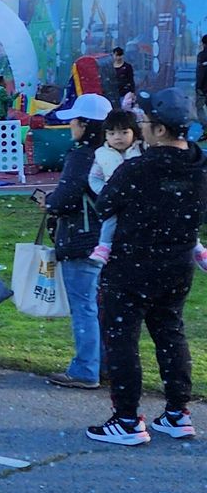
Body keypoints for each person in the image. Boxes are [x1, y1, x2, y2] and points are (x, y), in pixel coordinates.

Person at [88, 88, 206, 445]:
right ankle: (177, 412)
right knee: (170, 335)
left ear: (157, 130)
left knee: (122, 340)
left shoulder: (136, 169)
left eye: (144, 122)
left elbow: (104, 205)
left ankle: (126, 419)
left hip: (130, 266)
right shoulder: (199, 168)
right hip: (176, 265)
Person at [42, 93, 109, 390]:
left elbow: (66, 198)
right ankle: (105, 363)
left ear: (85, 124)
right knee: (104, 307)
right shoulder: (114, 152)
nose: (71, 125)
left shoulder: (81, 156)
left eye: (74, 120)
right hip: (109, 238)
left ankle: (85, 369)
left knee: (84, 307)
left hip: (82, 239)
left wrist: (49, 202)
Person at [86, 110, 145, 267]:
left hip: (141, 197)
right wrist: (104, 192)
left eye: (124, 132)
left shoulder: (142, 150)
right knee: (110, 219)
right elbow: (94, 177)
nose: (118, 137)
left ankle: (196, 246)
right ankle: (104, 246)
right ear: (106, 135)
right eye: (112, 133)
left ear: (134, 133)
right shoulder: (101, 154)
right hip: (115, 197)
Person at [196, 35, 207, 140]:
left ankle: (206, 129)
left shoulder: (202, 55)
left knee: (199, 108)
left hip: (203, 88)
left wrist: (199, 86)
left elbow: (201, 73)